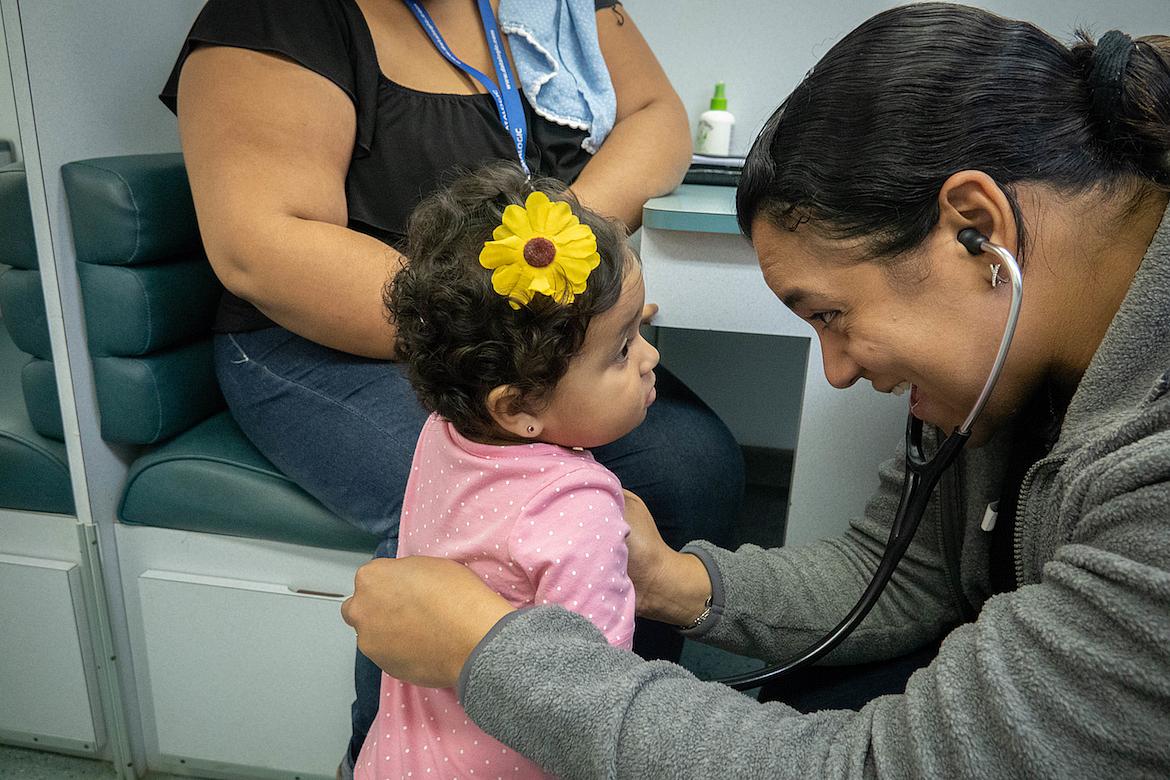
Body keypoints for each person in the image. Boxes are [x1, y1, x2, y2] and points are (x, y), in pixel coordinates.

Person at [341, 3, 1170, 776]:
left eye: (833, 314)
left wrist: (492, 655)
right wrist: (673, 580)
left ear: (975, 229)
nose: (839, 369)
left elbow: (875, 767)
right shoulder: (1002, 355)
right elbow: (903, 575)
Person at [159, 0, 744, 772]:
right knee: (486, 517)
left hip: (528, 339)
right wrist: (503, 316)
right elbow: (262, 249)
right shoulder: (280, 16)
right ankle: (398, 755)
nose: (650, 358)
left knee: (689, 463)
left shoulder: (555, 8)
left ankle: (624, 729)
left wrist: (555, 258)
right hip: (324, 338)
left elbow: (654, 113)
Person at [359, 162, 653, 778]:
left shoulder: (444, 434)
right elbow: (591, 702)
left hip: (397, 757)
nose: (652, 358)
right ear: (518, 407)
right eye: (623, 348)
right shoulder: (578, 510)